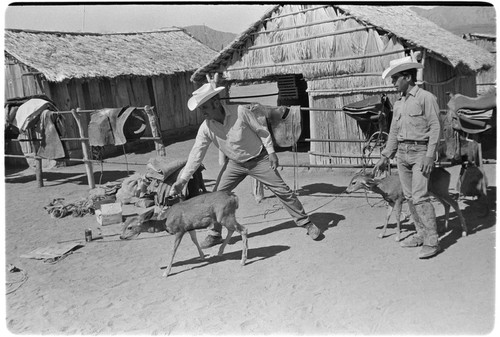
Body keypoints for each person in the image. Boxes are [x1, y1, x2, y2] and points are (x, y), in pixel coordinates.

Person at [170, 76, 321, 248]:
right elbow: (196, 154)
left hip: (259, 159)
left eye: (204, 107)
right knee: (216, 196)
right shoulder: (206, 127)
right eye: (200, 108)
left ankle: (306, 223)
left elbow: (261, 131)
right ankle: (215, 234)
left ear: (215, 103)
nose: (202, 112)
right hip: (235, 164)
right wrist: (182, 180)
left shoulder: (240, 111)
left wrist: (271, 152)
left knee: (282, 190)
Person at [373, 56, 442, 259]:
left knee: (420, 196)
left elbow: (435, 126)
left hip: (420, 153)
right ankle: (421, 233)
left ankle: (433, 241)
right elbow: (393, 132)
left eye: (396, 79)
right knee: (410, 197)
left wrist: (430, 155)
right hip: (402, 155)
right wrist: (386, 155)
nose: (393, 83)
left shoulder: (425, 98)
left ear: (407, 77)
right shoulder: (399, 103)